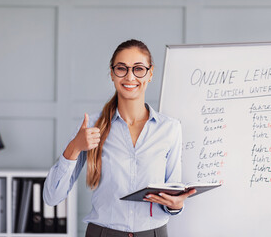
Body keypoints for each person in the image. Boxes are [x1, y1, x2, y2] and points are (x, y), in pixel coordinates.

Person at [43, 39, 196, 237]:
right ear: (112, 74)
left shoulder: (170, 129)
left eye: (139, 69)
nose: (130, 76)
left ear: (150, 74)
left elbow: (171, 193)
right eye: (122, 68)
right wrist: (74, 147)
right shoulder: (91, 126)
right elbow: (51, 197)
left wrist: (175, 205)